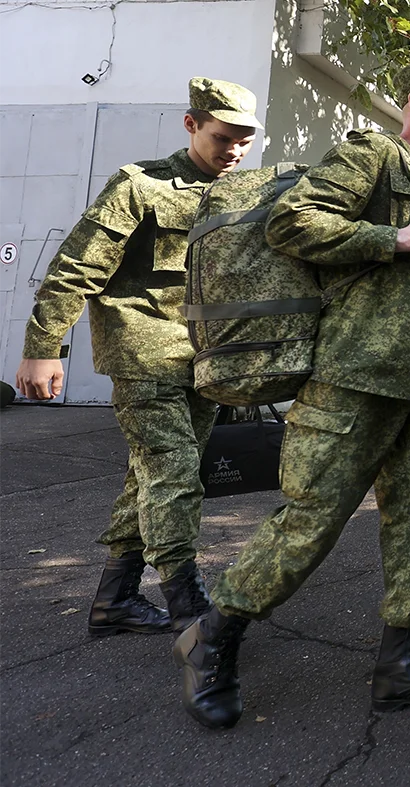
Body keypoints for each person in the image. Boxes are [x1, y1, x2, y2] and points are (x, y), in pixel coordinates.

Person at [173, 61, 410, 730]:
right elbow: (292, 221)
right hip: (352, 381)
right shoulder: (372, 156)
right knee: (309, 524)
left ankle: (402, 663)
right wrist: (391, 237)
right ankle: (212, 637)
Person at [14, 78, 260, 637]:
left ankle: (115, 600)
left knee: (151, 475)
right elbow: (76, 268)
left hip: (205, 357)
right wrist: (42, 349)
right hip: (143, 351)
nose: (235, 150)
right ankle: (187, 606)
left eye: (245, 140)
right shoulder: (138, 185)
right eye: (224, 137)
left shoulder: (239, 193)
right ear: (191, 124)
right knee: (173, 473)